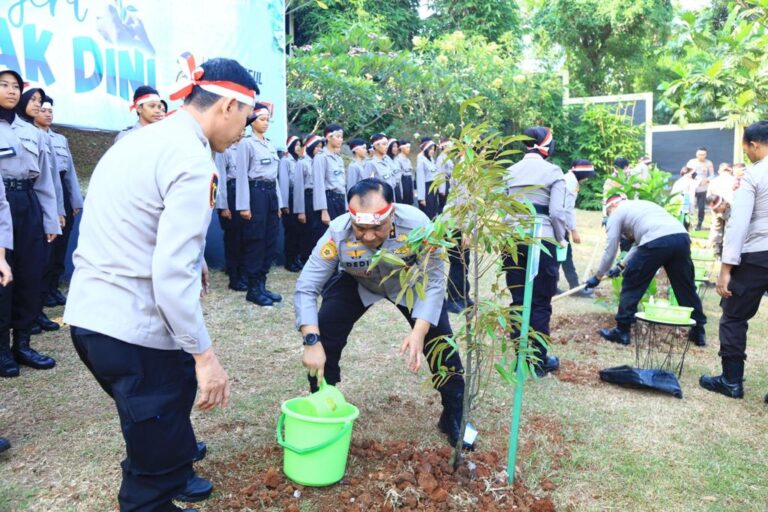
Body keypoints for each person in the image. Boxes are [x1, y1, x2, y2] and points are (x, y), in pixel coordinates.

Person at [64, 55, 255, 511]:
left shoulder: (139, 140)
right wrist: (204, 356)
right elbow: (170, 278)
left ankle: (170, 473)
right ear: (227, 106)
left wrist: (194, 262)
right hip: (134, 325)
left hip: (92, 317)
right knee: (155, 437)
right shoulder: (192, 160)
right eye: (246, 118)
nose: (244, 130)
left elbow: (132, 222)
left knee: (151, 423)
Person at [295, 178, 468, 447]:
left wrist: (420, 331)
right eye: (360, 228)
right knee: (325, 328)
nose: (368, 236)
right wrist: (311, 341)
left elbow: (434, 281)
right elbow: (306, 287)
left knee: (441, 343)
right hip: (359, 281)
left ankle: (454, 414)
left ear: (392, 213)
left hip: (409, 284)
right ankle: (323, 404)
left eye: (377, 227)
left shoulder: (419, 225)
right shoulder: (337, 232)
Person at [700, 121, 768, 402]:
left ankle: (731, 381)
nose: (748, 156)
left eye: (747, 150)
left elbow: (738, 224)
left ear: (754, 144)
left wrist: (725, 269)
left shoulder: (754, 175)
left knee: (733, 316)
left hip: (757, 255)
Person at [0, 68, 60, 378]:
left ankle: (21, 344)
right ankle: (1, 351)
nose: (11, 91)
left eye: (15, 86)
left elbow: (46, 181)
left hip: (29, 205)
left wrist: (50, 220)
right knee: (2, 281)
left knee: (30, 274)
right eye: (3, 85)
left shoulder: (31, 131)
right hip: (2, 206)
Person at [586, 195, 707, 346]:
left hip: (656, 241)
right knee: (685, 287)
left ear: (611, 207)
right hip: (680, 237)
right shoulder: (643, 205)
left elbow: (610, 249)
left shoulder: (615, 214)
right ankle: (698, 332)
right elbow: (639, 243)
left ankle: (622, 331)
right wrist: (620, 266)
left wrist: (598, 276)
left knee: (632, 282)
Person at [503, 127, 565, 377]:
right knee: (540, 302)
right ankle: (538, 362)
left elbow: (502, 211)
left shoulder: (509, 172)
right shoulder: (553, 172)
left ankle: (520, 359)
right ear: (547, 146)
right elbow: (558, 214)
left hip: (513, 241)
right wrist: (560, 238)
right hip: (543, 240)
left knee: (518, 301)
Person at [15, 86, 65, 334]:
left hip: (32, 201)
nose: (37, 104)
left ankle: (31, 318)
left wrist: (56, 213)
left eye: (40, 100)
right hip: (9, 201)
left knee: (35, 265)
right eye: (33, 99)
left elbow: (50, 180)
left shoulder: (40, 135)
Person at [34, 96, 84, 310]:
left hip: (61, 190)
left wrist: (75, 199)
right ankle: (41, 291)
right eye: (43, 109)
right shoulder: (31, 136)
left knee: (61, 245)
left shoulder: (60, 139)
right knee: (46, 245)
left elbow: (70, 172)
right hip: (42, 192)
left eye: (50, 110)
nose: (48, 113)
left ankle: (53, 287)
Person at [235, 103, 284, 307]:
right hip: (256, 194)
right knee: (256, 240)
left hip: (271, 193)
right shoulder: (246, 144)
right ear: (252, 121)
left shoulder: (270, 144)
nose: (265, 123)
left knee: (270, 241)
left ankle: (262, 284)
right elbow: (241, 177)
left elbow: (275, 178)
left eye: (267, 120)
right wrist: (243, 206)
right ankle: (253, 288)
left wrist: (280, 203)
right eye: (261, 119)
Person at [559, 160, 596, 296]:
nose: (586, 179)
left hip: (557, 223)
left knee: (563, 255)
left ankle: (573, 286)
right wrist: (573, 230)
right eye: (587, 175)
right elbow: (567, 209)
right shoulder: (571, 182)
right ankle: (572, 287)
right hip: (558, 224)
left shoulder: (568, 178)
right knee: (563, 254)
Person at [214, 130, 245, 290]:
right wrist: (224, 205)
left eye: (244, 130)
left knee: (245, 238)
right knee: (233, 239)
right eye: (239, 130)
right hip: (230, 195)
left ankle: (243, 274)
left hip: (244, 195)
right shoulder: (224, 150)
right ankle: (233, 277)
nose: (241, 133)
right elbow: (220, 179)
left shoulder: (246, 148)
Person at [278, 135, 304, 272]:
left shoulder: (300, 160)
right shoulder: (285, 160)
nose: (299, 147)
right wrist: (284, 204)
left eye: (300, 144)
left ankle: (297, 258)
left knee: (300, 231)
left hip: (300, 196)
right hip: (290, 196)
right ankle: (289, 260)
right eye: (296, 144)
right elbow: (283, 182)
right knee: (291, 232)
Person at [313, 124, 346, 225]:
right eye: (337, 136)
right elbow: (319, 185)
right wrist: (323, 210)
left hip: (340, 200)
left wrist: (346, 206)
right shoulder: (321, 157)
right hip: (329, 201)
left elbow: (342, 184)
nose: (340, 140)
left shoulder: (339, 158)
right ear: (328, 137)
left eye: (341, 137)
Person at [302, 134, 325, 252]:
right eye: (317, 147)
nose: (319, 150)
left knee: (318, 226)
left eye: (321, 147)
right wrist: (300, 210)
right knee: (309, 227)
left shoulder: (320, 161)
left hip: (319, 195)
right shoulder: (303, 162)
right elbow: (299, 187)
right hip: (308, 195)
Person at [686, 147, 715, 231]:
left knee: (701, 207)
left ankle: (699, 224)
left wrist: (707, 180)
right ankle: (687, 223)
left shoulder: (709, 163)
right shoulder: (691, 162)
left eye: (703, 154)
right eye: (699, 154)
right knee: (689, 205)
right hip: (691, 187)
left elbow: (712, 175)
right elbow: (686, 172)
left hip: (702, 188)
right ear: (696, 154)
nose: (701, 156)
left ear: (706, 155)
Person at [416, 138, 440, 219]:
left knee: (434, 212)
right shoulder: (421, 161)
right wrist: (422, 198)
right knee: (427, 213)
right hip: (427, 189)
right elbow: (420, 180)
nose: (432, 151)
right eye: (430, 149)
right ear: (426, 149)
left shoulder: (431, 160)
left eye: (433, 149)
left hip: (433, 189)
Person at [436, 138, 453, 214]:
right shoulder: (440, 158)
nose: (451, 148)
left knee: (448, 204)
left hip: (449, 182)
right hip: (444, 183)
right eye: (449, 146)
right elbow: (440, 174)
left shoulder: (449, 158)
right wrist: (441, 189)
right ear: (444, 147)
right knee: (442, 204)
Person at [396, 140, 414, 205]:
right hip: (403, 182)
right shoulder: (398, 159)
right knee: (404, 202)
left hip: (409, 182)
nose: (409, 149)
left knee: (410, 202)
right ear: (401, 148)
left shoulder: (408, 160)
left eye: (409, 147)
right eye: (407, 147)